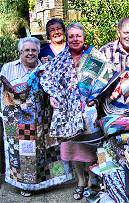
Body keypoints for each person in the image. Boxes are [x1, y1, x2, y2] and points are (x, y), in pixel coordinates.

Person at [40, 22, 116, 200]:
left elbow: (109, 75)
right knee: (72, 147)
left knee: (92, 147)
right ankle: (80, 181)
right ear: (67, 38)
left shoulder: (94, 55)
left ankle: (92, 180)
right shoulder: (61, 58)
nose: (75, 39)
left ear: (84, 37)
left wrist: (95, 98)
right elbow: (47, 78)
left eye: (78, 36)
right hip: (66, 111)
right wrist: (53, 95)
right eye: (71, 36)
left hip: (89, 110)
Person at [0, 37, 72, 197]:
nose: (30, 53)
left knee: (47, 150)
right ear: (20, 52)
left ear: (39, 52)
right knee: (23, 153)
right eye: (27, 50)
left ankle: (50, 180)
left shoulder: (46, 69)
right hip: (17, 122)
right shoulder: (8, 68)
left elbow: (54, 90)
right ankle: (25, 185)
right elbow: (4, 94)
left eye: (34, 50)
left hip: (42, 119)